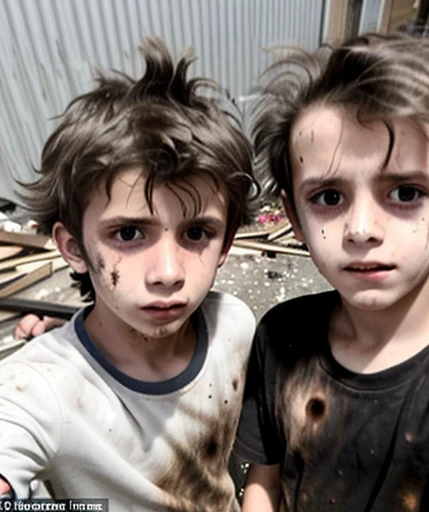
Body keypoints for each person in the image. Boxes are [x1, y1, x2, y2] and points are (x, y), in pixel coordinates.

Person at [234, 32, 429, 511]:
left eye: (405, 193)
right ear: (294, 218)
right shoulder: (282, 336)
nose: (361, 229)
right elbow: (265, 480)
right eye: (329, 198)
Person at [0, 37, 257, 512]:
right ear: (73, 247)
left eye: (197, 232)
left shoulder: (235, 326)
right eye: (128, 233)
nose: (167, 272)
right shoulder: (41, 391)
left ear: (227, 243)